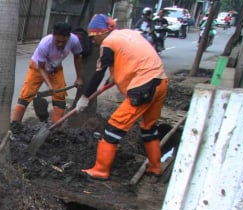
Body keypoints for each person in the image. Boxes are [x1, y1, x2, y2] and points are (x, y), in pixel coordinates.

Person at [76, 14, 168, 180]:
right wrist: (114, 76)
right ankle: (155, 167)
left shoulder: (108, 43)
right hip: (160, 82)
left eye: (93, 37)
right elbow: (130, 57)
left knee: (113, 127)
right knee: (149, 128)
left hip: (143, 87)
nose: (93, 42)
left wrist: (85, 97)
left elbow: (98, 73)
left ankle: (100, 170)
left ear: (100, 33)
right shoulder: (128, 34)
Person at [11, 22, 83, 126]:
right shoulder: (44, 44)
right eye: (58, 41)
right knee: (26, 95)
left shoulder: (74, 40)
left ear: (68, 37)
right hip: (37, 68)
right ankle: (15, 126)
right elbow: (41, 68)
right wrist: (49, 85)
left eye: (64, 42)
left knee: (60, 97)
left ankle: (55, 130)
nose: (60, 44)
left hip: (56, 68)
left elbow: (77, 57)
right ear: (53, 35)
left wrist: (79, 77)